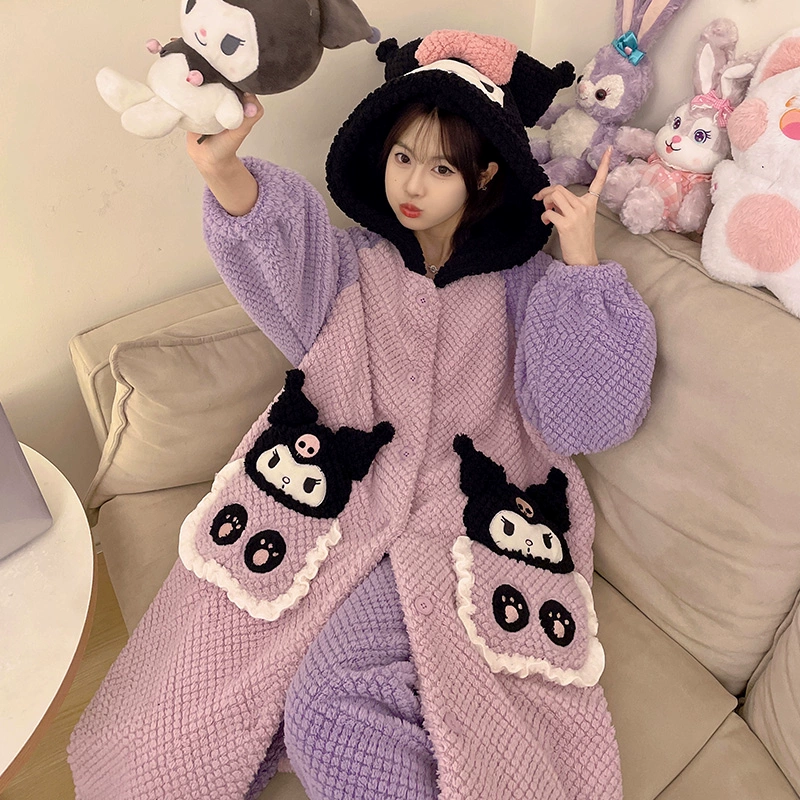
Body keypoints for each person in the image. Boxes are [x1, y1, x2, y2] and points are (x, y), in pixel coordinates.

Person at [69, 31, 656, 800]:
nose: (412, 183)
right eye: (402, 156)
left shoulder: (527, 289)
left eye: (441, 167)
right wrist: (223, 170)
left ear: (484, 174)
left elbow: (586, 421)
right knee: (192, 710)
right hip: (337, 505)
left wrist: (580, 264)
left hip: (457, 527)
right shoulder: (349, 265)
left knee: (331, 708)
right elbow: (276, 239)